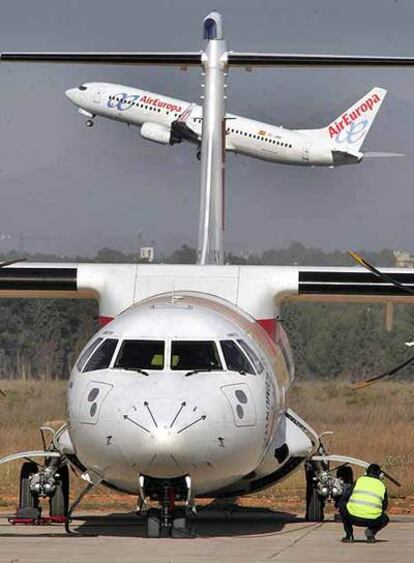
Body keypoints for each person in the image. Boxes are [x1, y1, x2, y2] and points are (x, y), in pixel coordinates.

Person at [339, 463, 389, 543]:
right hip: (372, 520)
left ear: (366, 473)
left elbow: (345, 496)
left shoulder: (359, 480)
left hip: (353, 517)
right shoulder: (382, 486)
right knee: (385, 518)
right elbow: (384, 506)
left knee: (342, 505)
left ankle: (349, 535)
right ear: (380, 475)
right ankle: (371, 532)